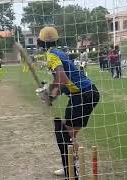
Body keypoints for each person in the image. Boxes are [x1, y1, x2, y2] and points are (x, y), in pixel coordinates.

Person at [36, 26, 100, 179]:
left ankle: (72, 169)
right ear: (56, 40)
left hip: (83, 95)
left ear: (39, 42)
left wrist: (49, 91)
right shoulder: (58, 52)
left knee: (65, 135)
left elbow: (62, 79)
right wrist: (50, 94)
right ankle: (70, 167)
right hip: (86, 94)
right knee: (69, 134)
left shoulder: (51, 55)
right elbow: (63, 83)